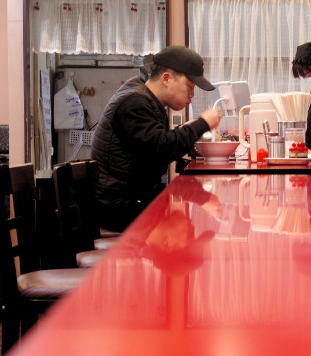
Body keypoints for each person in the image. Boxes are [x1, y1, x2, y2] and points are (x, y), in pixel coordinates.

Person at [91, 45, 222, 232]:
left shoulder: (145, 98)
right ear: (166, 78)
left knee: (186, 213)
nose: (192, 95)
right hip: (119, 207)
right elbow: (161, 148)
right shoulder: (135, 102)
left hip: (133, 199)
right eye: (190, 87)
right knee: (182, 232)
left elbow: (156, 146)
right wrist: (202, 123)